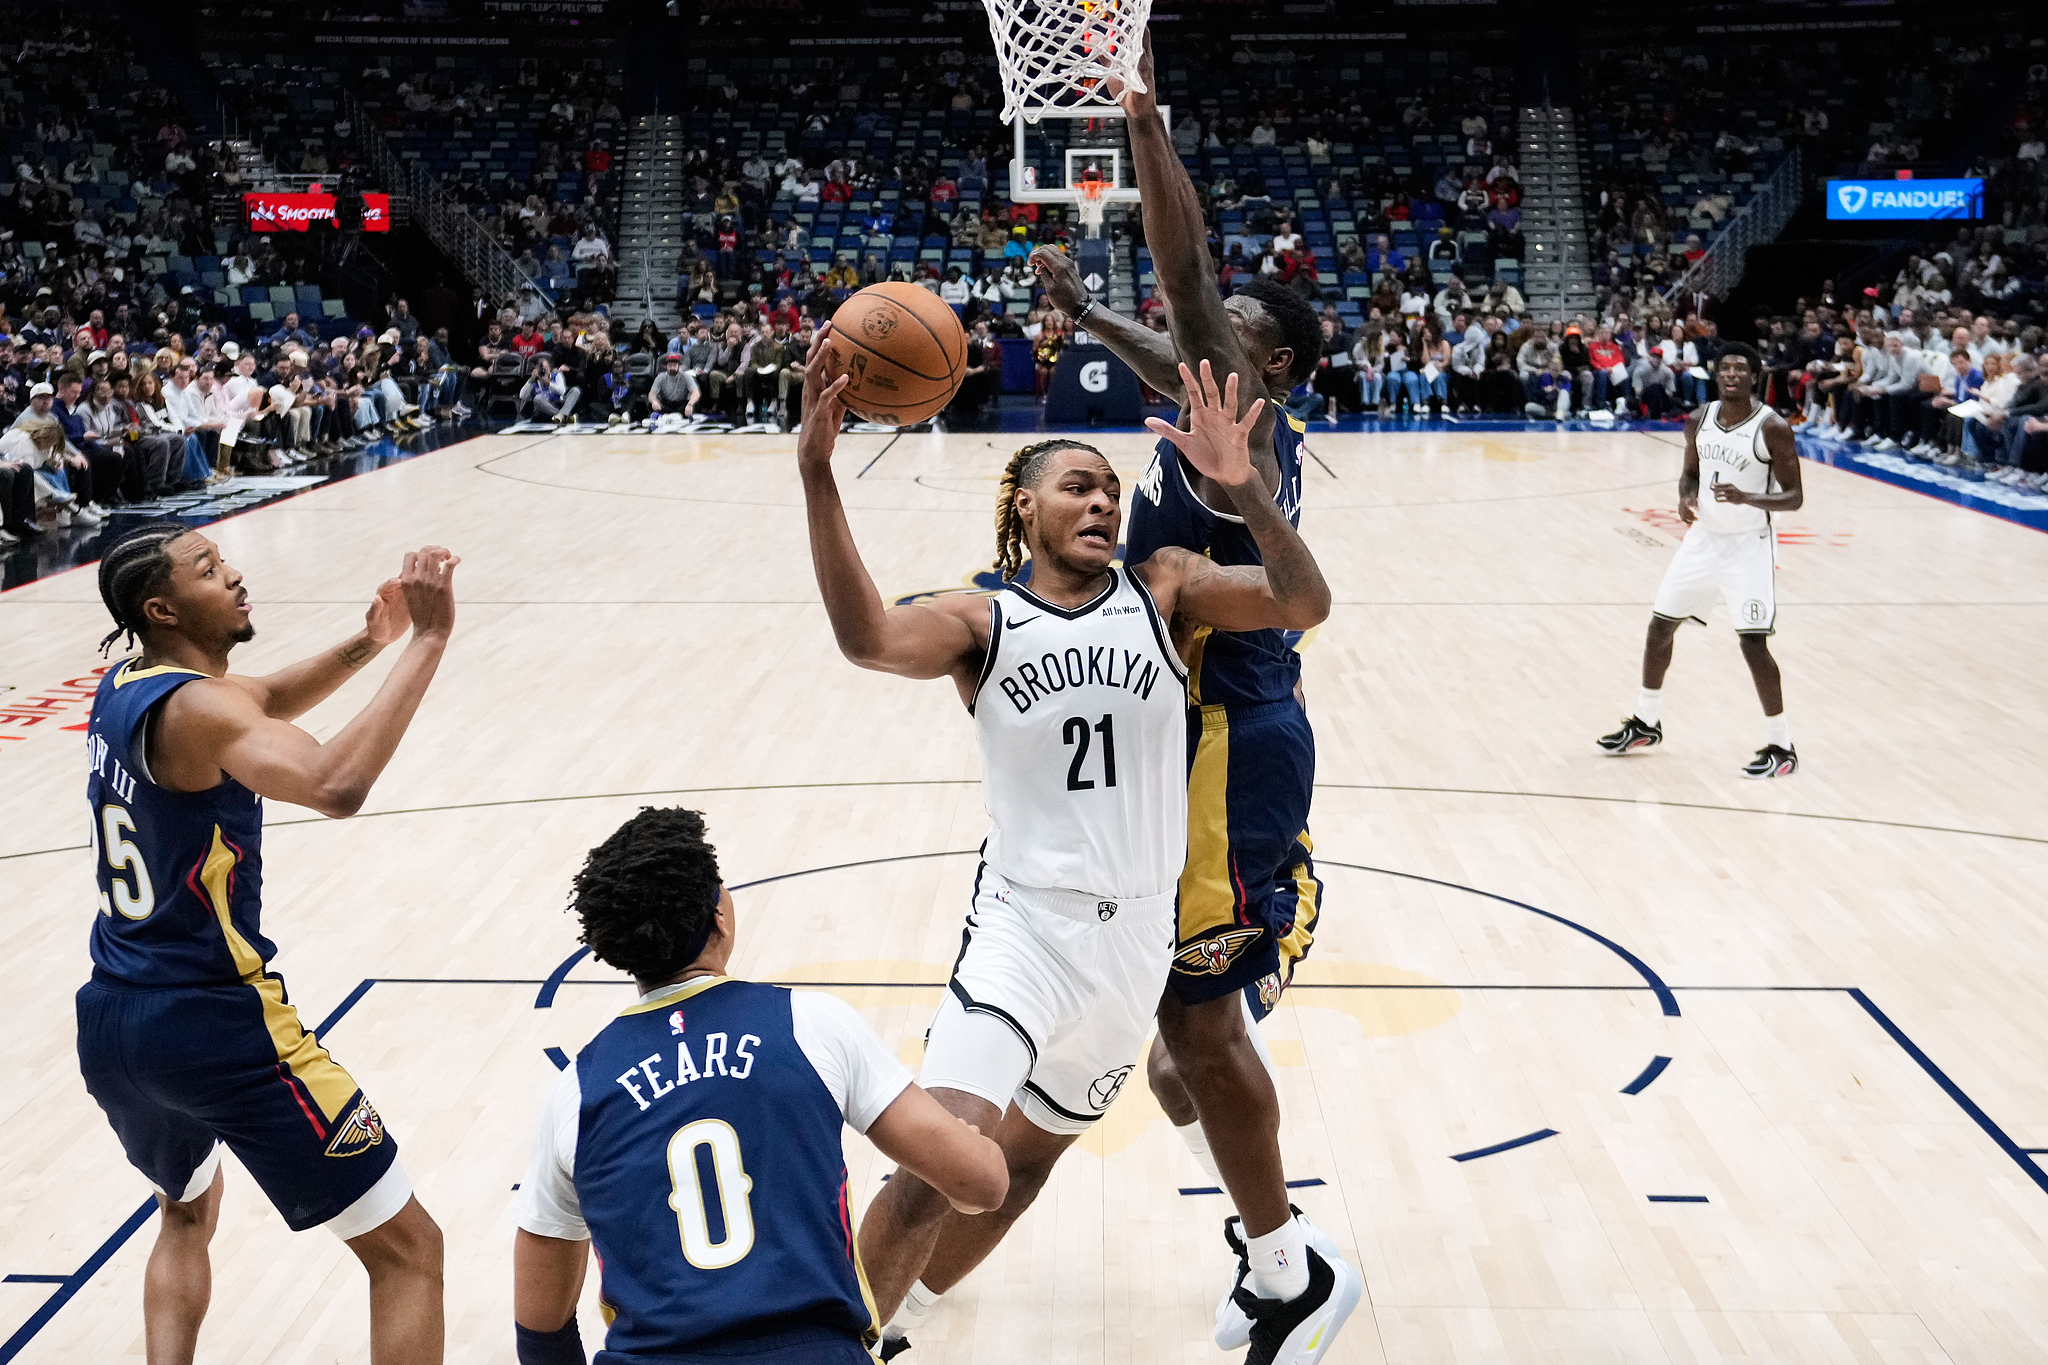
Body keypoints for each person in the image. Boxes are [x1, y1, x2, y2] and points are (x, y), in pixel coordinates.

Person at [797, 329, 1333, 1361]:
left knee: (1024, 1165)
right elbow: (867, 639)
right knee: (943, 1160)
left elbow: (1303, 602)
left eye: (1109, 491)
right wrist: (820, 479)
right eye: (1075, 488)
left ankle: (896, 1323)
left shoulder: (1166, 585)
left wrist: (1244, 489)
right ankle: (828, 1347)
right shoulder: (980, 620)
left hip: (1134, 943)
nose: (1100, 504)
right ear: (1024, 510)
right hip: (1024, 933)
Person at [1028, 37, 1361, 1363]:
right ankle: (1270, 1238)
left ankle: (1292, 1266)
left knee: (1196, 1030)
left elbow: (1185, 285)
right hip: (1187, 737)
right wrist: (1082, 308)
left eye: (1224, 337)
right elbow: (1166, 331)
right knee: (1176, 1057)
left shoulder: (1247, 426)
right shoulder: (1210, 407)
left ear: (1261, 362)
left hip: (1230, 736)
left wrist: (1145, 122)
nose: (1194, 345)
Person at [76, 526, 460, 1364]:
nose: (235, 572)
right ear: (163, 608)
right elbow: (335, 784)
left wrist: (368, 640)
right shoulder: (202, 710)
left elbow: (263, 698)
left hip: (112, 1022)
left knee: (184, 1212)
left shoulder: (128, 683)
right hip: (217, 1025)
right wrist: (428, 640)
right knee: (410, 1253)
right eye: (209, 569)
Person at [510, 807, 1008, 1365]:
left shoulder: (576, 1091)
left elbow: (541, 1330)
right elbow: (985, 1186)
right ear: (720, 917)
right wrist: (969, 1148)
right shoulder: (811, 1025)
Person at [1598, 344, 1805, 777]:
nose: (1731, 374)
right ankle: (1646, 722)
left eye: (1740, 369)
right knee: (1660, 627)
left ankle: (1782, 746)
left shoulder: (1772, 427)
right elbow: (1690, 473)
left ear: (1754, 377)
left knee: (1752, 643)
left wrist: (1747, 497)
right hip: (1704, 539)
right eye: (1725, 368)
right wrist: (1685, 497)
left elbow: (1794, 497)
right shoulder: (1698, 419)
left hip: (1748, 545)